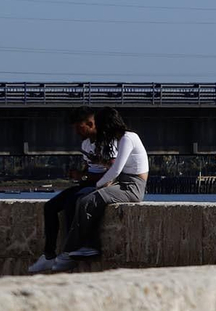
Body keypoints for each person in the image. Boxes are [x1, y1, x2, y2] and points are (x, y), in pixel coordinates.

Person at [34, 107, 148, 273]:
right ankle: (70, 251)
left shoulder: (127, 138)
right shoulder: (118, 139)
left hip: (132, 186)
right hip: (123, 183)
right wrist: (87, 174)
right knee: (74, 202)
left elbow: (116, 170)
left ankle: (73, 251)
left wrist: (96, 185)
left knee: (86, 200)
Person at [29, 107, 109, 273]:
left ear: (91, 123)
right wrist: (79, 174)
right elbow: (89, 167)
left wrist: (84, 176)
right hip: (87, 183)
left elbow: (111, 172)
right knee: (50, 207)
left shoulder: (107, 142)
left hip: (101, 184)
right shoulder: (85, 144)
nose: (76, 132)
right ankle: (49, 255)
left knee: (73, 202)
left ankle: (70, 252)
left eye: (80, 128)